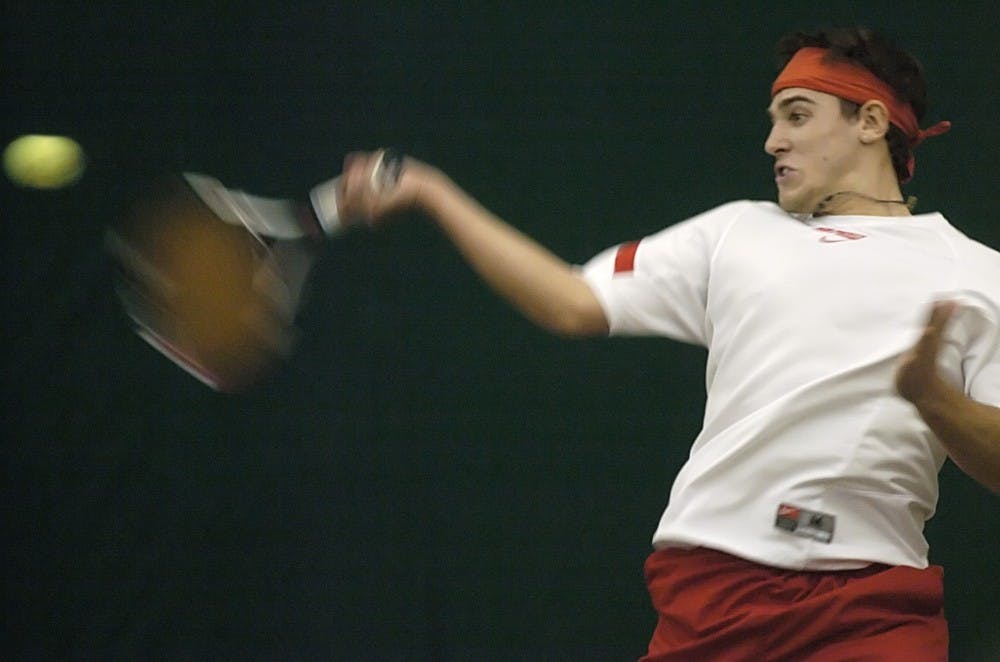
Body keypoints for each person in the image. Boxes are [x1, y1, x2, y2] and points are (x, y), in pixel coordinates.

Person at [333, 27, 1000, 660]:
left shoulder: (976, 272)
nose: (772, 141)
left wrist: (936, 403)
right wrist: (433, 193)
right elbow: (573, 301)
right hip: (710, 599)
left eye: (796, 116)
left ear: (872, 123)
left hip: (870, 613)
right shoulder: (736, 233)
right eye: (772, 120)